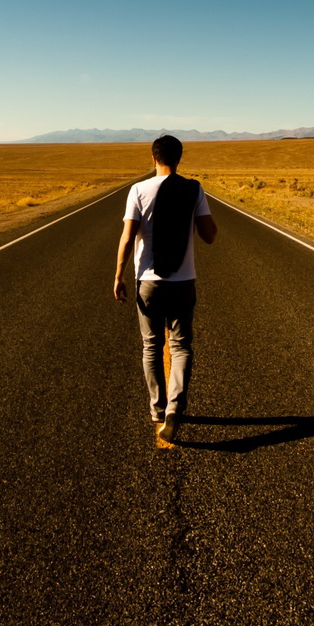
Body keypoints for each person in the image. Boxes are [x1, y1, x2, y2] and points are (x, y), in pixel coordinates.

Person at [112, 134, 218, 445]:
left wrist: (118, 275)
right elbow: (210, 235)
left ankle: (158, 409)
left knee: (151, 346)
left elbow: (127, 237)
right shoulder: (194, 189)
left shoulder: (138, 190)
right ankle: (175, 408)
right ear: (179, 159)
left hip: (148, 282)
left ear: (153, 158)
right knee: (181, 347)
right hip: (183, 281)